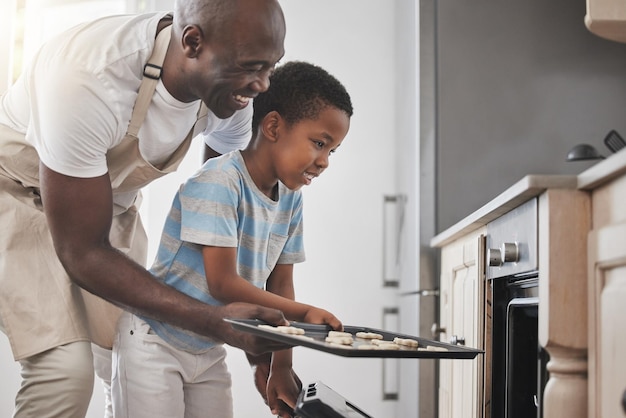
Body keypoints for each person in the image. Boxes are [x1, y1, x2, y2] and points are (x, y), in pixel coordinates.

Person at [0, 1, 295, 417]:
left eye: (271, 66)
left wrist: (254, 342)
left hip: (107, 210)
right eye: (251, 66)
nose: (263, 85)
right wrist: (214, 322)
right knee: (63, 374)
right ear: (193, 43)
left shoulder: (231, 96)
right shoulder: (89, 80)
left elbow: (223, 216)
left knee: (128, 356)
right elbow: (82, 251)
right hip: (17, 195)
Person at [111, 61, 353, 418]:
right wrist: (304, 314)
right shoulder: (220, 181)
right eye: (319, 143)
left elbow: (281, 286)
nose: (324, 162)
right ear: (272, 126)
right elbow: (222, 283)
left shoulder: (290, 199)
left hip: (208, 348)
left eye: (331, 151)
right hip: (155, 341)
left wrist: (280, 366)